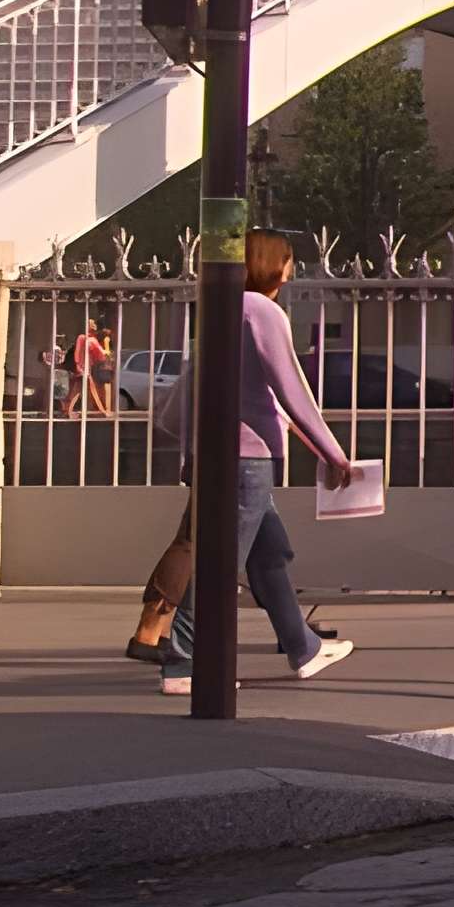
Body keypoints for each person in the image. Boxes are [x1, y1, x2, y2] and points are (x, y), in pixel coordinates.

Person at [158, 230, 358, 697]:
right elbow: (290, 385)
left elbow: (199, 385)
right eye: (288, 261)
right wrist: (333, 451)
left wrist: (189, 448)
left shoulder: (223, 307)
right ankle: (183, 662)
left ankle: (303, 647)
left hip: (219, 452)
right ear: (274, 265)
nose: (291, 271)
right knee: (222, 561)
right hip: (247, 457)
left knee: (269, 555)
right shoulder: (262, 311)